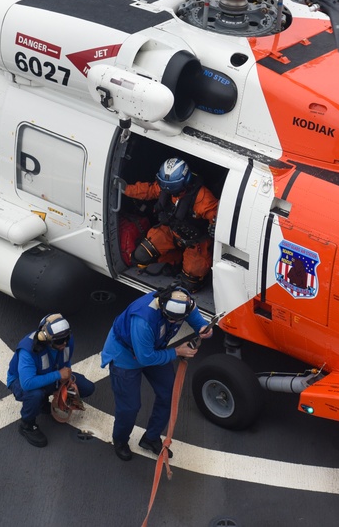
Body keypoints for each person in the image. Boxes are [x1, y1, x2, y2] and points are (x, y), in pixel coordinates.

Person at [100, 287, 213, 461]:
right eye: (171, 319)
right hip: (125, 357)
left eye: (179, 320)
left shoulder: (183, 302)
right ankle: (120, 440)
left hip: (153, 349)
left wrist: (202, 326)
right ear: (162, 307)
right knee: (130, 407)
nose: (175, 323)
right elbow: (145, 358)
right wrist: (177, 352)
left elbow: (193, 315)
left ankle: (151, 437)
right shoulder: (142, 320)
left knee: (169, 393)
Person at [125, 157, 218, 293]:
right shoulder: (165, 188)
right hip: (171, 232)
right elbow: (149, 190)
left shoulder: (202, 198)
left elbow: (216, 216)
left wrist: (215, 226)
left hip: (196, 243)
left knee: (190, 284)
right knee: (141, 255)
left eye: (174, 189)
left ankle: (188, 267)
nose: (169, 192)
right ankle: (174, 261)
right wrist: (126, 189)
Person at [6, 313, 95, 448]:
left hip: (53, 374)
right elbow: (27, 383)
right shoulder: (28, 351)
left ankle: (43, 403)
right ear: (46, 339)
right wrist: (58, 376)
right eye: (60, 341)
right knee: (35, 394)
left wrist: (66, 383)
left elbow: (66, 362)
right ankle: (27, 425)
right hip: (21, 381)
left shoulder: (66, 341)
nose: (64, 343)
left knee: (87, 388)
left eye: (66, 338)